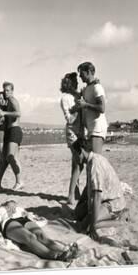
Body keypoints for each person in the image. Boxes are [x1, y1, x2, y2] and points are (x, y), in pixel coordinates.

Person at [71, 139, 128, 240]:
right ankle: (97, 219)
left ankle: (119, 220)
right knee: (78, 214)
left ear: (81, 151)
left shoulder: (95, 164)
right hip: (103, 199)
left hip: (112, 203)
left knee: (88, 225)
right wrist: (80, 205)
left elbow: (97, 196)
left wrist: (92, 225)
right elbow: (89, 187)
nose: (74, 158)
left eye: (74, 154)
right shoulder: (91, 160)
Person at [0, 200, 79, 261]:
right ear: (4, 204)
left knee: (41, 235)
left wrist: (28, 215)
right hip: (8, 222)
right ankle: (54, 255)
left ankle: (64, 250)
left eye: (13, 203)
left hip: (22, 219)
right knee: (30, 237)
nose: (12, 204)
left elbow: (30, 215)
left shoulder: (19, 209)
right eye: (10, 203)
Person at [60, 72, 84, 206]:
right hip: (72, 133)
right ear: (68, 83)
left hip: (80, 132)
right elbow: (70, 119)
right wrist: (77, 108)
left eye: (76, 81)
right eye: (74, 82)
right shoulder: (65, 98)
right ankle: (71, 195)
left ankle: (75, 193)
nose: (76, 84)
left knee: (76, 164)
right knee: (78, 162)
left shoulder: (77, 95)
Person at [0, 81, 23, 191]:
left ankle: (19, 181)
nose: (6, 92)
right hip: (9, 131)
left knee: (10, 157)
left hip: (15, 130)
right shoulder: (7, 103)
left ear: (12, 91)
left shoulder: (12, 99)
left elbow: (19, 113)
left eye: (8, 90)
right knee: (6, 159)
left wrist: (4, 113)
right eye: (4, 90)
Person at [77, 62, 107, 154]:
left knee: (96, 161)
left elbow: (102, 108)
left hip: (97, 129)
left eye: (81, 73)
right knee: (88, 160)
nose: (79, 75)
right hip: (90, 129)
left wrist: (86, 105)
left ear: (89, 71)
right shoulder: (87, 88)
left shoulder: (97, 87)